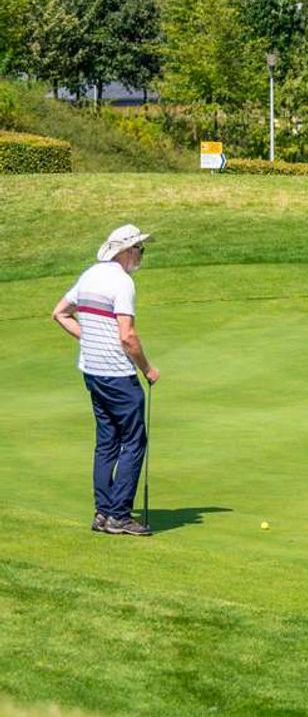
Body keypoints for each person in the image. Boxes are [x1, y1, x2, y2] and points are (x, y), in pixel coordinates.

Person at [51, 225, 159, 536]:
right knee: (134, 441)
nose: (141, 254)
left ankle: (103, 512)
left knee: (107, 440)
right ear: (126, 251)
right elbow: (128, 337)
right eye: (139, 249)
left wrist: (89, 339)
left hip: (92, 371)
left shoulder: (90, 275)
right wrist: (147, 369)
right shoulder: (122, 282)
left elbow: (60, 313)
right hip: (117, 374)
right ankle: (119, 516)